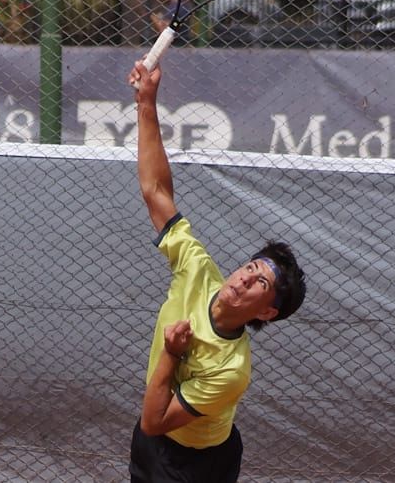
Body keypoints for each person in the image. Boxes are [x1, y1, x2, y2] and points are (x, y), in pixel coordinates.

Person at [126, 58, 307, 482]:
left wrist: (172, 353)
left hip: (198, 464)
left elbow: (155, 420)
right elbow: (155, 190)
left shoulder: (231, 370)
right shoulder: (197, 269)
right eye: (250, 266)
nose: (243, 277)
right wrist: (147, 102)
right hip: (151, 442)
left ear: (267, 312)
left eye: (260, 282)